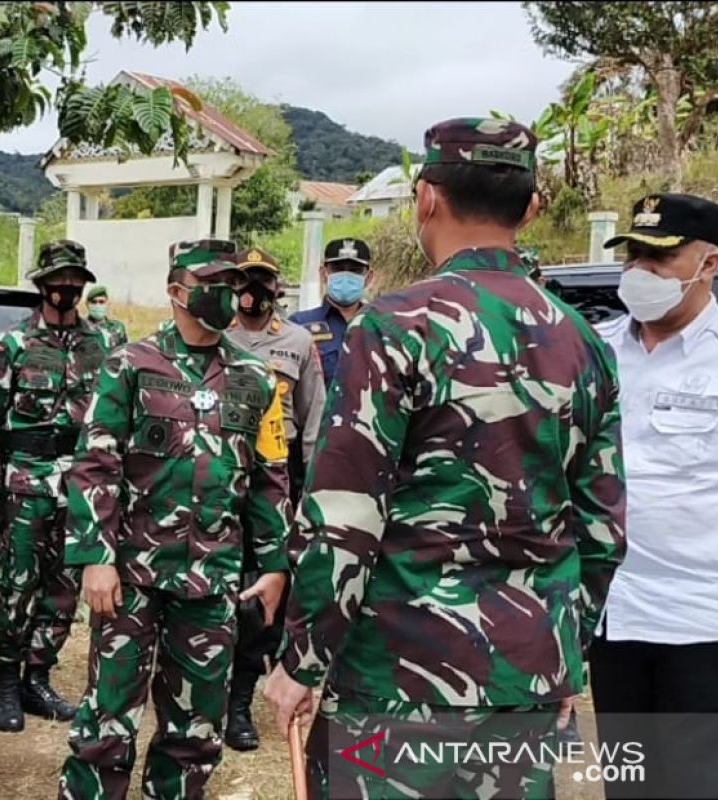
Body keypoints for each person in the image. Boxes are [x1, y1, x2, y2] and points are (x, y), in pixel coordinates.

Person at [264, 118, 627, 799]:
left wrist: (302, 660)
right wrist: (559, 656)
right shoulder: (584, 341)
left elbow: (345, 519)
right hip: (526, 676)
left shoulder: (396, 328)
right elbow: (603, 530)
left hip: (397, 678)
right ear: (532, 206)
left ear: (426, 197)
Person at [58, 239, 292, 799]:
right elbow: (95, 466)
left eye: (231, 282)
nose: (227, 293)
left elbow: (270, 478)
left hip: (212, 580)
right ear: (176, 291)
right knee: (108, 721)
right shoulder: (129, 366)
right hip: (132, 577)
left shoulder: (257, 379)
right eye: (212, 281)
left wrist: (277, 563)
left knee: (195, 729)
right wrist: (95, 558)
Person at [591, 193, 718, 799]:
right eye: (634, 255)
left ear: (710, 263)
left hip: (702, 619)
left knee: (695, 784)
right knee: (629, 783)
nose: (640, 271)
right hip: (615, 615)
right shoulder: (598, 352)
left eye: (660, 258)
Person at [0, 240, 111, 733]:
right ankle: (6, 681)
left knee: (64, 584)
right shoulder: (11, 346)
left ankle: (38, 676)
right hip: (26, 479)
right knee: (18, 583)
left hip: (80, 481)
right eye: (57, 281)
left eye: (74, 280)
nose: (67, 289)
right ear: (41, 285)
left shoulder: (101, 343)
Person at [222, 246, 326, 751]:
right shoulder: (215, 336)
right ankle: (207, 690)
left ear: (275, 287)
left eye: (261, 281)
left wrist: (310, 491)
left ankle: (240, 698)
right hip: (223, 477)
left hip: (279, 482)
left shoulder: (298, 341)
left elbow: (314, 418)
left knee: (264, 592)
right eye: (244, 281)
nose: (251, 292)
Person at [288, 238, 374, 387]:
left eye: (355, 270)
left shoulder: (382, 326)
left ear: (369, 277)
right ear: (323, 273)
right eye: (338, 268)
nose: (346, 275)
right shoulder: (299, 325)